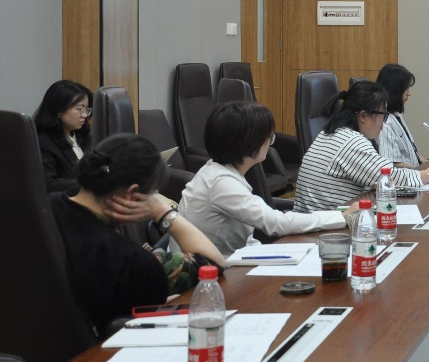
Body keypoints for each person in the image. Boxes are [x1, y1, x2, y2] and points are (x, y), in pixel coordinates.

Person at [49, 133, 225, 333]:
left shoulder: (44, 208)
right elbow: (214, 264)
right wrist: (161, 210)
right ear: (131, 194)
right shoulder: (131, 261)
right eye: (152, 194)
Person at [178, 101, 357, 257]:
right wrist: (341, 217)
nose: (270, 142)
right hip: (210, 274)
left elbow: (248, 238)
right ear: (249, 142)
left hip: (229, 262)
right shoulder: (221, 183)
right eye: (268, 137)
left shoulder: (218, 172)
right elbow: (275, 223)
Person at [293, 81, 429, 213]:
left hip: (321, 221)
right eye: (383, 115)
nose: (384, 123)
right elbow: (388, 177)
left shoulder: (332, 133)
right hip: (326, 228)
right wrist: (428, 174)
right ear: (363, 116)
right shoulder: (351, 142)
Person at [35, 80, 94, 196]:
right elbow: (49, 184)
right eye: (80, 109)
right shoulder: (43, 142)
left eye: (87, 109)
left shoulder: (82, 136)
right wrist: (91, 184)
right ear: (58, 110)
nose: (84, 115)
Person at [375, 63, 427, 168]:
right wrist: (424, 171)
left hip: (415, 172)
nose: (409, 93)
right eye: (406, 88)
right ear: (394, 89)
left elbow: (412, 152)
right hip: (405, 176)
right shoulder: (385, 123)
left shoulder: (396, 115)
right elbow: (392, 164)